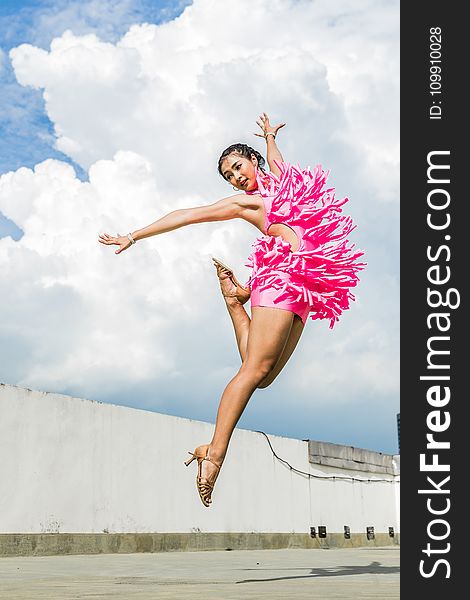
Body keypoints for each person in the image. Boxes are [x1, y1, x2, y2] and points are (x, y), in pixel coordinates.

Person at [98, 113, 365, 507]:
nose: (235, 178)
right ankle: (215, 453)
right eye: (228, 175)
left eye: (237, 167)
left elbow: (278, 159)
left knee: (264, 376)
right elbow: (190, 214)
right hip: (278, 278)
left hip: (305, 286)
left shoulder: (288, 185)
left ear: (252, 160)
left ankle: (233, 302)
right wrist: (134, 235)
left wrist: (271, 136)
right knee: (252, 369)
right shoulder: (248, 203)